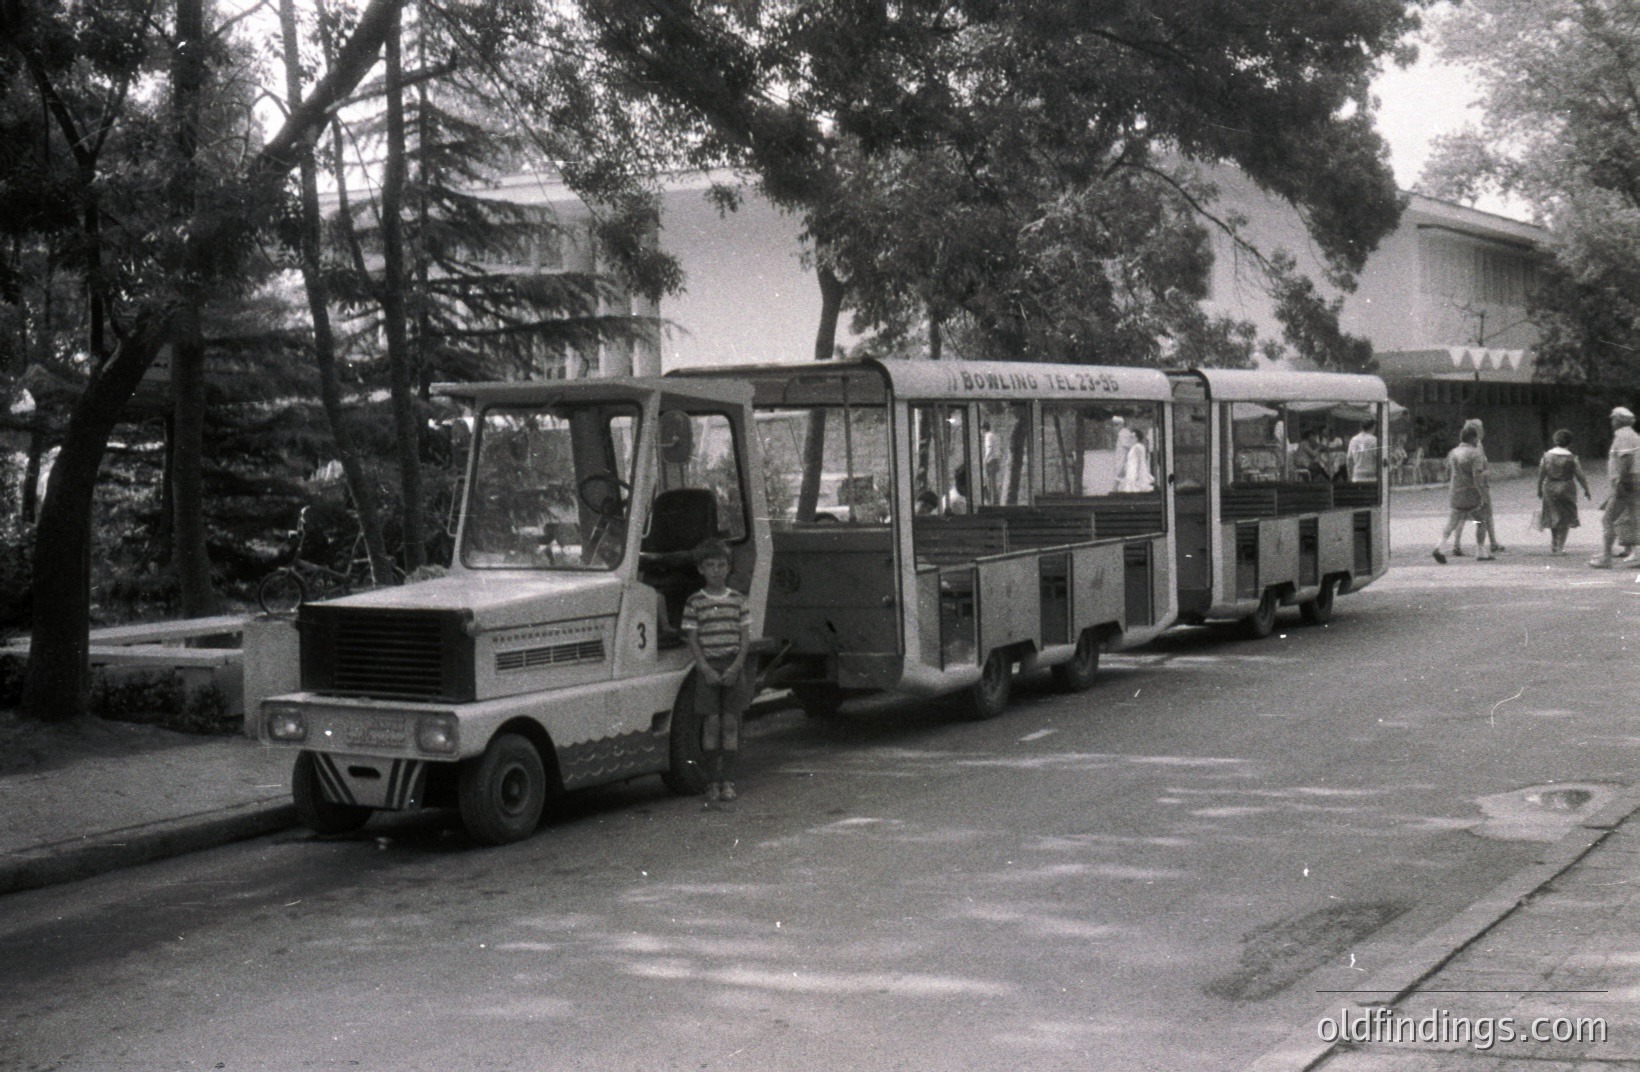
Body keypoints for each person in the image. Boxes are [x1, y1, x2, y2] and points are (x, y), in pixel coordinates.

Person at [681, 539, 754, 803]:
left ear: (728, 568)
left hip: (733, 665)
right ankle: (712, 781)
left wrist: (736, 667)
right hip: (708, 668)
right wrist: (706, 669)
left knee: (731, 723)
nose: (716, 570)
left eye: (721, 565)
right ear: (701, 569)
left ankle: (729, 781)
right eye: (710, 565)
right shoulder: (695, 602)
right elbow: (692, 638)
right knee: (711, 724)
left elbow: (745, 638)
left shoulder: (737, 600)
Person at [1590, 406, 1640, 568]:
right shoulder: (1632, 435)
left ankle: (1606, 557)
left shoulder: (1623, 436)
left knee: (1608, 519)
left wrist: (1620, 482)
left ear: (1618, 420)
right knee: (1633, 517)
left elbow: (1626, 459)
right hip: (1634, 480)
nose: (1611, 422)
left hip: (1626, 481)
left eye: (1613, 419)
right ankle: (1637, 554)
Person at [1431, 423, 1486, 563]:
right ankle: (1481, 552)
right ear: (1474, 438)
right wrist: (1483, 494)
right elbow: (1477, 476)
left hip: (1455, 491)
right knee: (1480, 521)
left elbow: (1448, 471)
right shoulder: (1475, 454)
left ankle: (1440, 546)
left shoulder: (1453, 452)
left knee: (1453, 521)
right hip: (1471, 493)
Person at [1535, 429, 1591, 555]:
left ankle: (1554, 544)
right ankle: (1560, 547)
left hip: (1549, 486)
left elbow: (1541, 474)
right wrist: (1586, 489)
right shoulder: (1572, 458)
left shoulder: (1546, 456)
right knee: (1565, 517)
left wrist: (1539, 488)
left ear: (1555, 441)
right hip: (1566, 487)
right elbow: (1580, 475)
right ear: (1570, 442)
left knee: (1553, 515)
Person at [1465, 418, 1504, 557]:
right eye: (1481, 428)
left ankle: (1457, 544)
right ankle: (1490, 543)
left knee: (1463, 517)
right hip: (1479, 484)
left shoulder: (1466, 445)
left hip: (1468, 485)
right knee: (1485, 515)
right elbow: (1479, 468)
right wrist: (1487, 473)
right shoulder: (1477, 445)